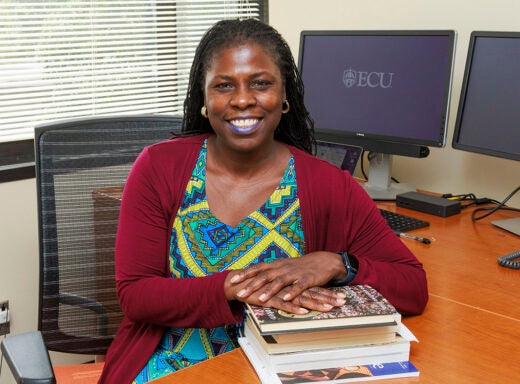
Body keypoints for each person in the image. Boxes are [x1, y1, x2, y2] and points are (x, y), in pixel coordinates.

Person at [97, 18, 427, 383]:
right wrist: (235, 287)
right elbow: (136, 295)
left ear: (284, 96)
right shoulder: (160, 167)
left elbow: (413, 287)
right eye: (224, 86)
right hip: (171, 366)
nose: (242, 99)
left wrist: (338, 264)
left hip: (279, 369)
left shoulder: (329, 185)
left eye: (261, 83)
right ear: (204, 99)